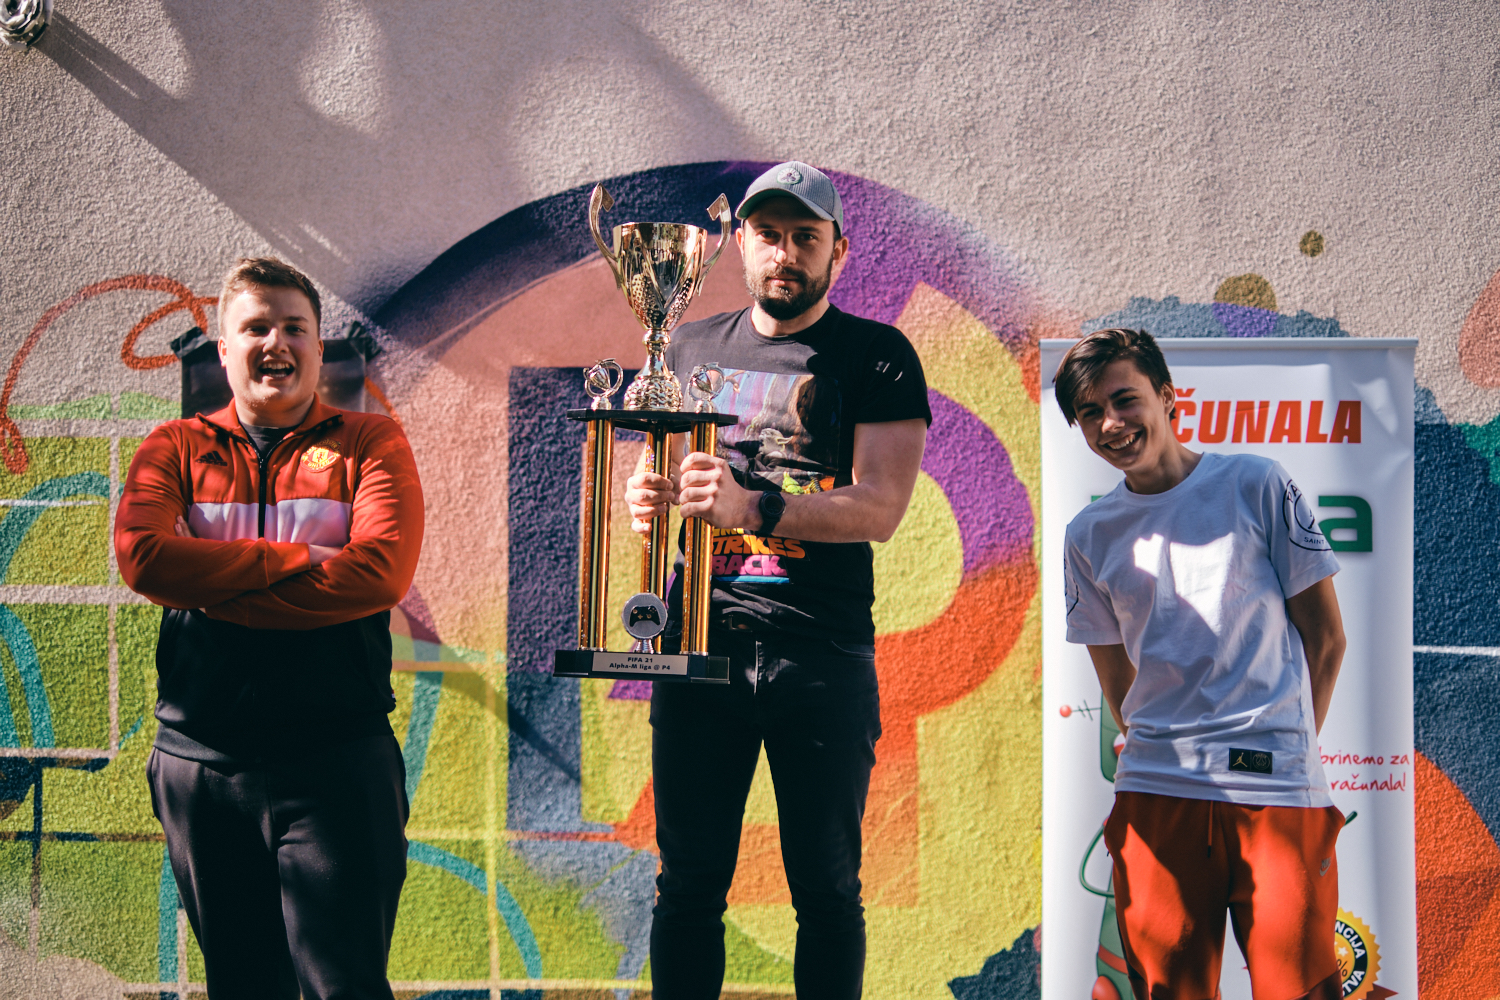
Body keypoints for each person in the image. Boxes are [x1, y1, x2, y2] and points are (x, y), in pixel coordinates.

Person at [624, 161, 931, 1000]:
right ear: (742, 245)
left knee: (826, 893)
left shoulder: (877, 355)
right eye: (768, 235)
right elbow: (661, 474)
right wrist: (647, 496)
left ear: (838, 250)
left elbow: (880, 507)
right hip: (700, 650)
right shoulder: (685, 345)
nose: (785, 253)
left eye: (805, 237)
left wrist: (752, 506)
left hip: (819, 655)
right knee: (687, 887)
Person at [115, 257, 424, 1000]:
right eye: (256, 328)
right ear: (224, 349)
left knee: (346, 986)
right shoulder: (172, 448)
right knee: (243, 986)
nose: (276, 343)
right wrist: (291, 559)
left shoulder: (372, 443)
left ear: (318, 346)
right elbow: (144, 558)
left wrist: (213, 585)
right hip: (202, 766)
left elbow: (378, 575)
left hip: (337, 760)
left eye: (294, 327)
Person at [1055, 328, 1347, 1000]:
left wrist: (1291, 746)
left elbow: (1326, 639)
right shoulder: (1088, 535)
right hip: (1158, 790)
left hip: (1275, 788)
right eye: (1090, 413)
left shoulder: (1255, 483)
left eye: (1124, 400)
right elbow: (1117, 684)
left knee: (1301, 990)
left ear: (1167, 396)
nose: (1110, 423)